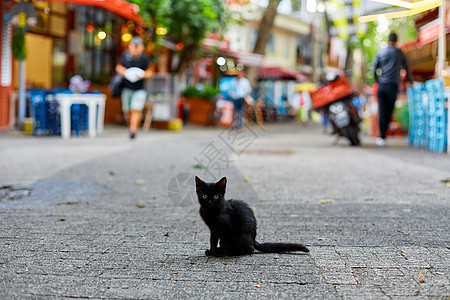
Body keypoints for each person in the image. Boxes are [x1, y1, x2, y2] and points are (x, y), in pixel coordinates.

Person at [373, 32, 413, 147]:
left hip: (382, 86)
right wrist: (410, 82)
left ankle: (382, 137)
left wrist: (378, 81)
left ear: (388, 40)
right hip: (392, 87)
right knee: (389, 111)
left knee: (382, 111)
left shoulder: (381, 53)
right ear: (396, 41)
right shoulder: (400, 53)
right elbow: (407, 69)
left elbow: (374, 69)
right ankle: (383, 137)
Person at [115, 36, 153, 139]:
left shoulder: (144, 58)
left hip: (139, 88)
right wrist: (125, 73)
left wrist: (142, 75)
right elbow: (118, 67)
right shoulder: (125, 56)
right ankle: (130, 125)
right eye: (134, 45)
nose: (135, 48)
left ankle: (133, 130)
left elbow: (149, 71)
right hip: (126, 87)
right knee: (127, 111)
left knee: (136, 109)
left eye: (138, 46)